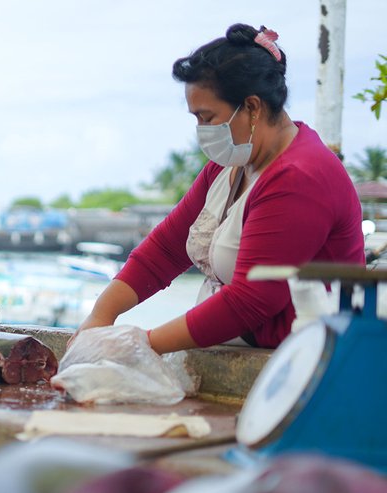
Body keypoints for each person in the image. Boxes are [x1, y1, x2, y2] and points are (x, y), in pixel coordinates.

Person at [76, 24, 364, 352]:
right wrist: (100, 317)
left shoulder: (299, 177)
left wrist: (140, 345)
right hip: (239, 350)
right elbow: (166, 250)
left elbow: (251, 301)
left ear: (252, 107)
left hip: (302, 363)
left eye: (207, 117)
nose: (201, 130)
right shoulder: (231, 162)